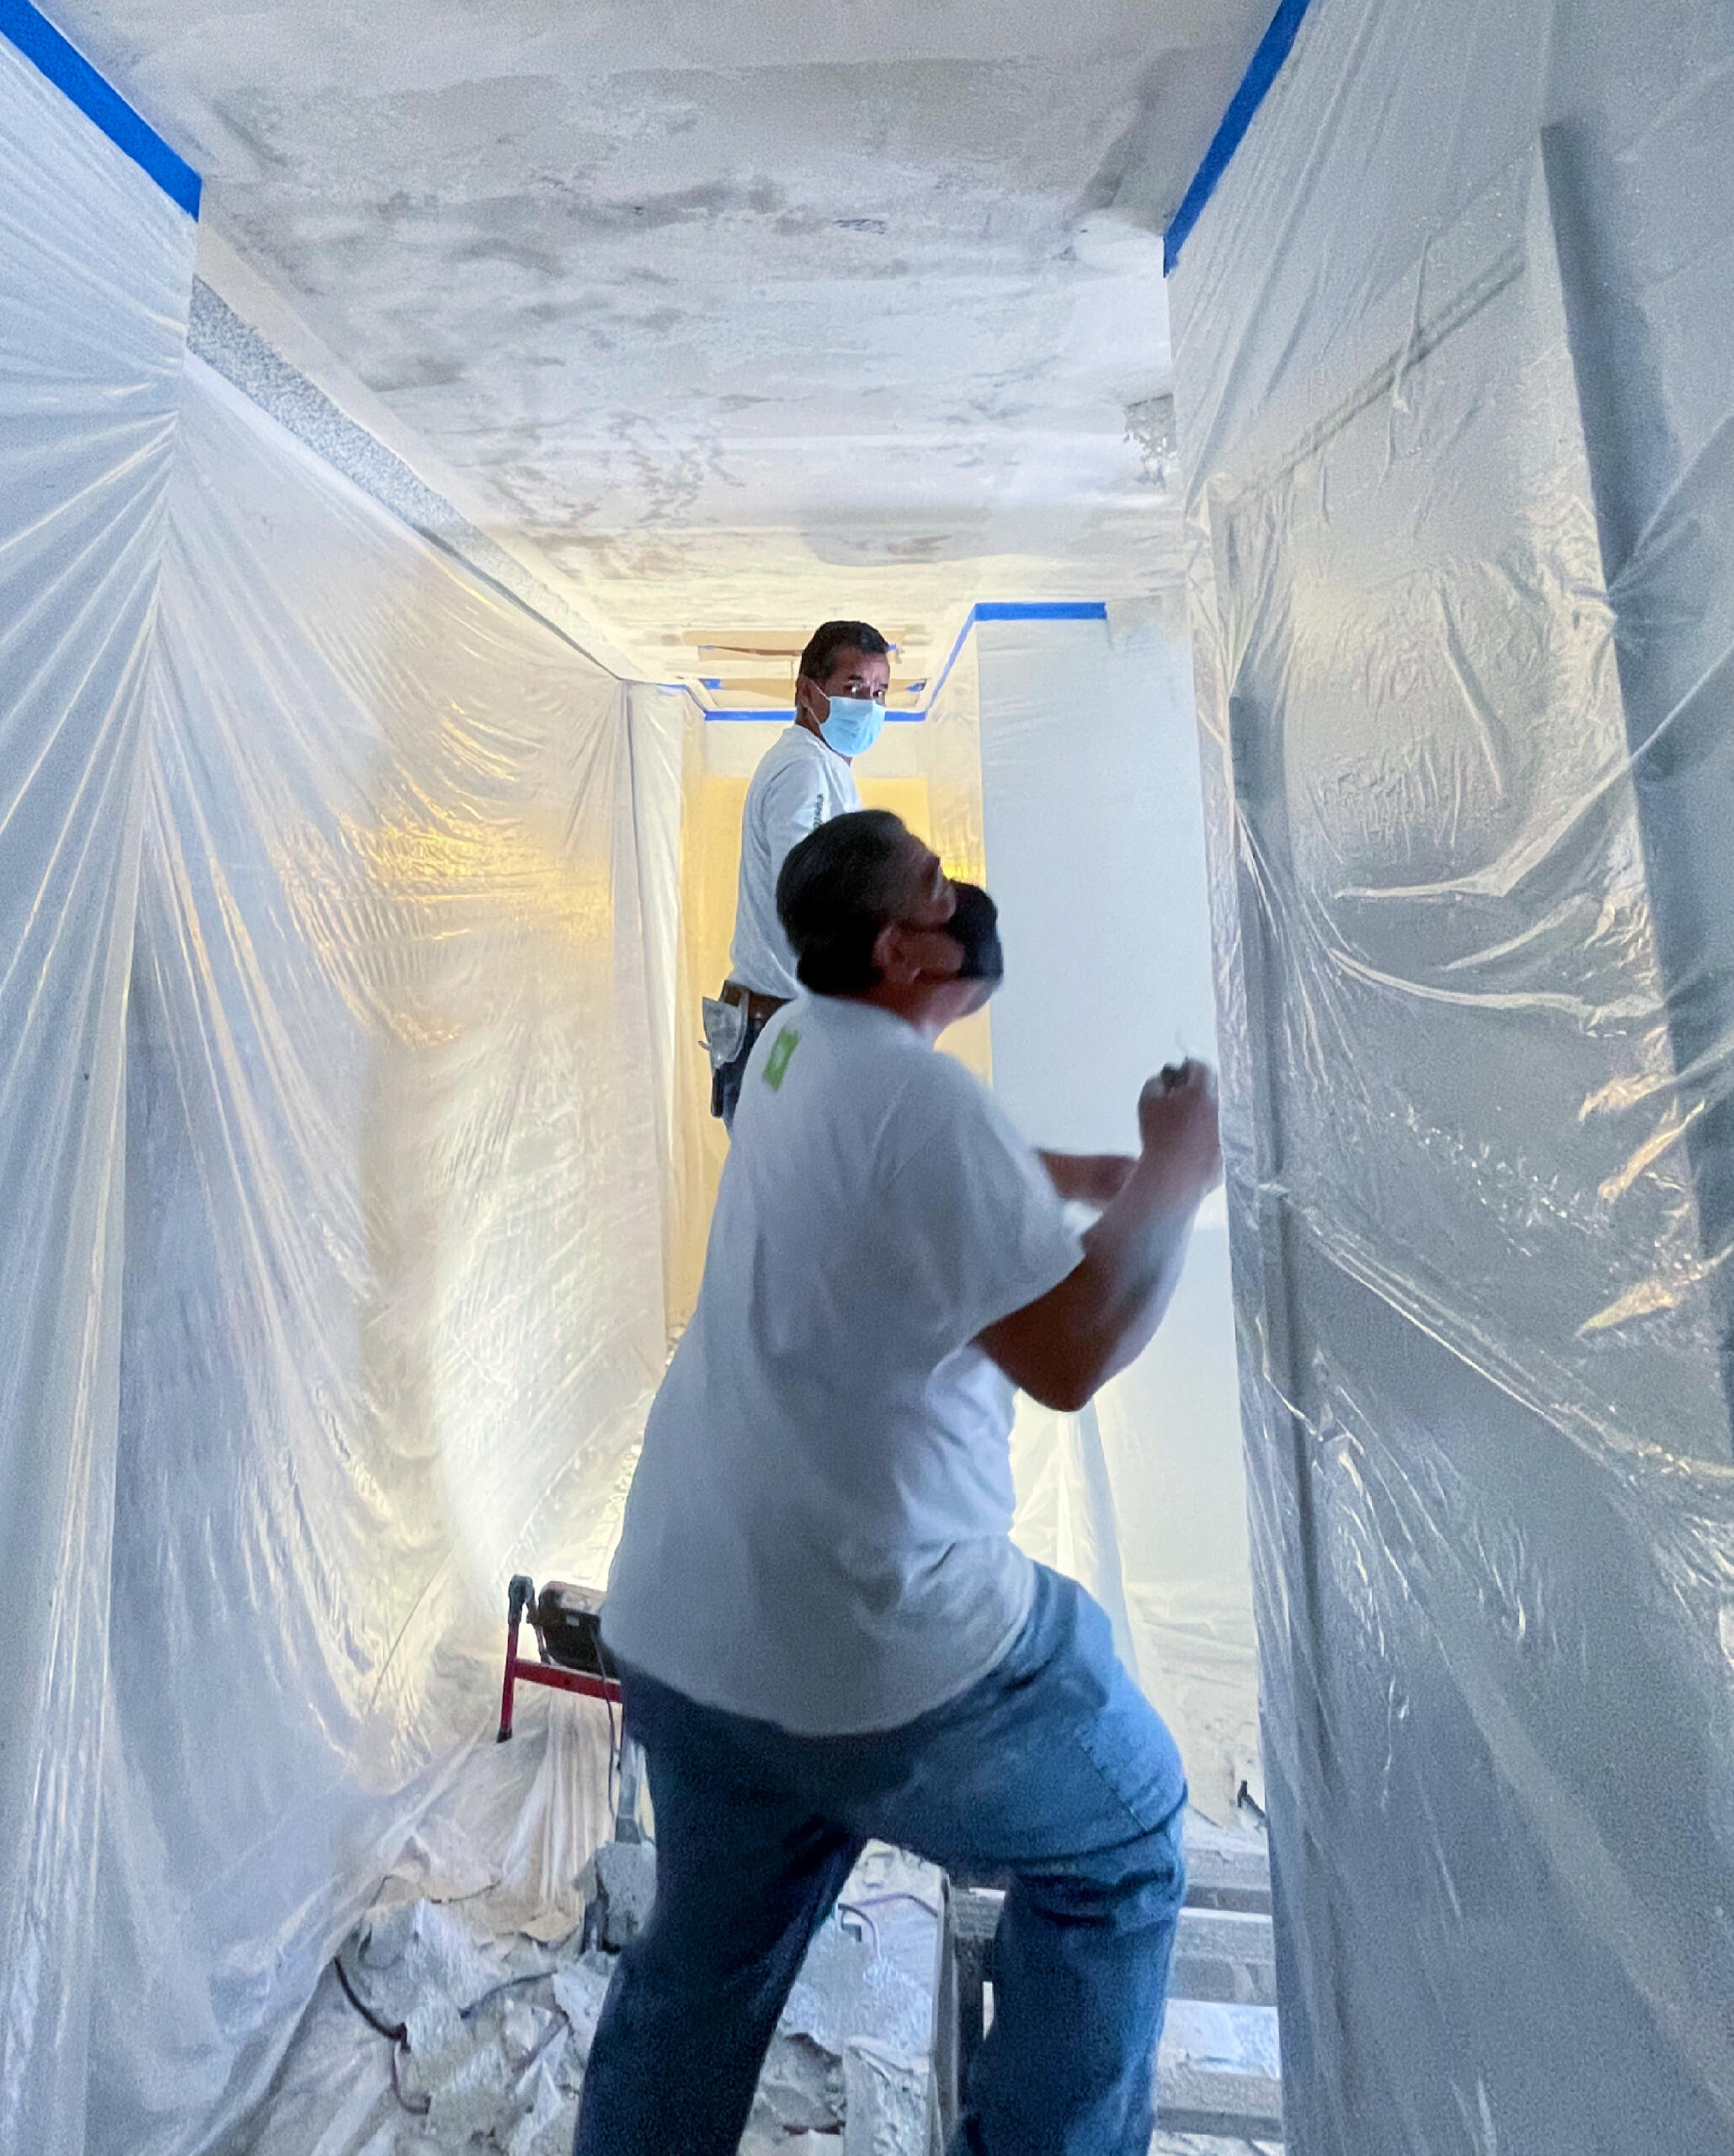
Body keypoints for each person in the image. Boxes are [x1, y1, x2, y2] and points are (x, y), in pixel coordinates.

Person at [579, 810, 1222, 2156]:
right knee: (1120, 1845)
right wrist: (1169, 1171)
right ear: (898, 951)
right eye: (935, 889)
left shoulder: (788, 1045)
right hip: (874, 1651)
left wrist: (1072, 1180)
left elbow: (897, 1167)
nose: (961, 899)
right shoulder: (924, 1105)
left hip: (689, 1624)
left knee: (699, 1981)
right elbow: (1070, 1352)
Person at [706, 618, 892, 1129]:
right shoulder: (803, 769)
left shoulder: (824, 767)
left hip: (784, 1024)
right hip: (778, 1030)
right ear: (807, 691)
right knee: (792, 1176)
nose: (869, 705)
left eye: (879, 692)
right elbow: (805, 897)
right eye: (853, 688)